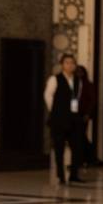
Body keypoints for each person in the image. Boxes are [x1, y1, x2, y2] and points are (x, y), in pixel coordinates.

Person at [43, 53, 85, 184]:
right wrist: (55, 111)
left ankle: (73, 174)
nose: (70, 65)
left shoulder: (78, 80)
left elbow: (77, 97)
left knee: (76, 146)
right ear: (62, 65)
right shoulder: (54, 79)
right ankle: (60, 175)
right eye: (67, 63)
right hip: (59, 119)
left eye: (72, 63)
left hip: (74, 118)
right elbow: (48, 96)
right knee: (59, 148)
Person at [75, 64, 99, 166]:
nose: (79, 74)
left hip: (84, 114)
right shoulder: (73, 85)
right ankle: (88, 158)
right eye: (77, 72)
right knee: (78, 137)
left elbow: (92, 101)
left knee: (80, 137)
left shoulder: (88, 85)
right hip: (75, 114)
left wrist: (88, 114)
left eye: (81, 72)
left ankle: (88, 158)